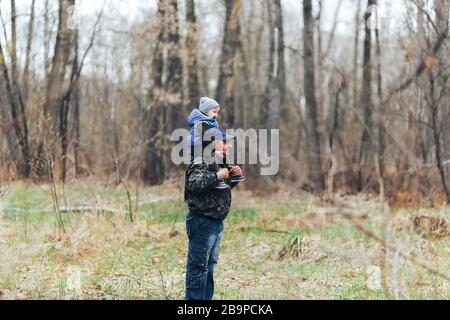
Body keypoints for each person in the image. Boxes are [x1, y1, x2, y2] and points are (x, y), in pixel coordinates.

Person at [184, 128, 243, 300]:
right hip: (202, 221)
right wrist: (217, 176)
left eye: (229, 143)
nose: (228, 146)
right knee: (198, 267)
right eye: (225, 142)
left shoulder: (220, 161)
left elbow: (217, 192)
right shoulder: (202, 159)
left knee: (209, 266)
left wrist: (234, 178)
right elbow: (193, 185)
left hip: (216, 223)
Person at [187, 97, 245, 189]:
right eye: (214, 112)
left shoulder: (210, 122)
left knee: (220, 156)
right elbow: (206, 138)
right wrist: (213, 150)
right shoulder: (201, 123)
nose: (216, 115)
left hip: (207, 145)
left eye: (217, 112)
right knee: (213, 156)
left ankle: (230, 171)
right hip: (197, 146)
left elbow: (225, 190)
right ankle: (219, 180)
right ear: (206, 112)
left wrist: (233, 177)